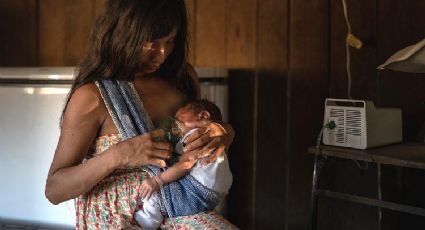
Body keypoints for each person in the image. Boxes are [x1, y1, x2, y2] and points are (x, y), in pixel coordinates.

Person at [44, 0, 236, 229]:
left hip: (176, 206)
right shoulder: (92, 96)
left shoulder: (181, 78)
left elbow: (204, 136)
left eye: (170, 41)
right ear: (124, 34)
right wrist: (119, 154)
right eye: (152, 43)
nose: (162, 54)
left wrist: (224, 133)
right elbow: (55, 190)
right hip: (115, 220)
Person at [134, 99, 233, 229]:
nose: (173, 124)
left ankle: (148, 220)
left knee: (152, 192)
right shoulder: (211, 138)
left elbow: (185, 165)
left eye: (178, 119)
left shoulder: (194, 136)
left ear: (203, 116)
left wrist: (157, 181)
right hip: (214, 193)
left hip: (197, 190)